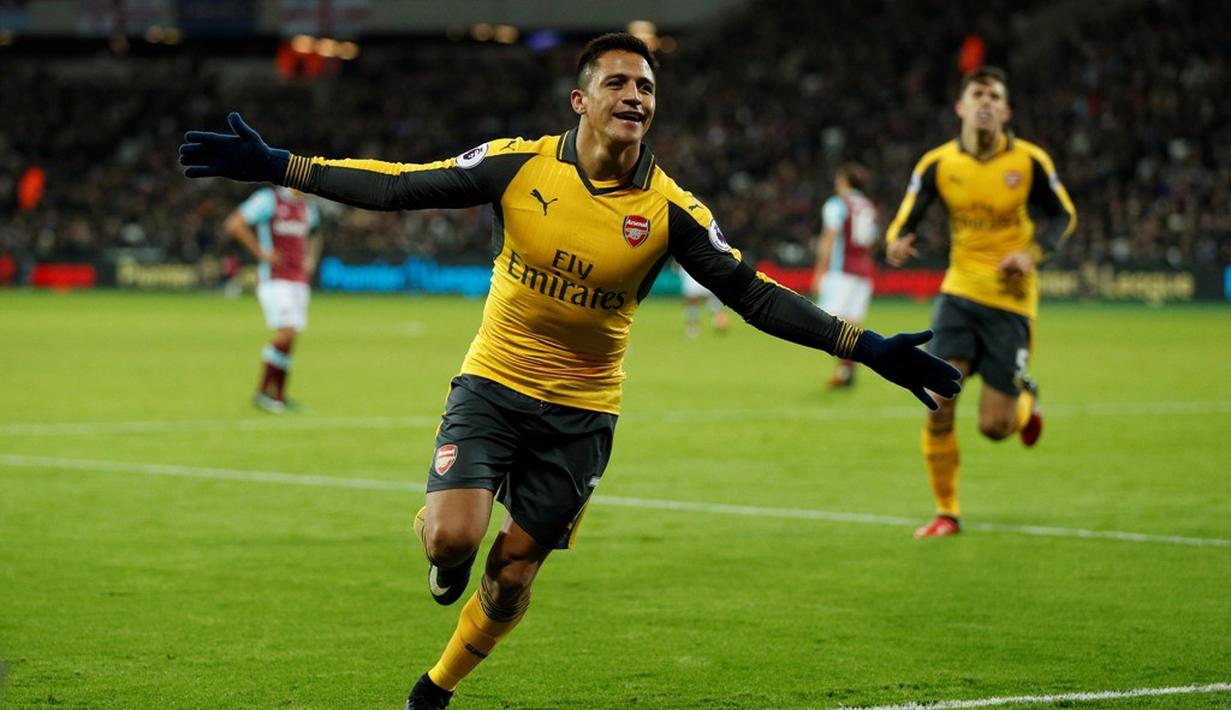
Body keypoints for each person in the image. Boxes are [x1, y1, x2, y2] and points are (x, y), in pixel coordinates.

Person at [180, 33, 961, 709]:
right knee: (453, 541)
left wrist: (864, 346)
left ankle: (436, 688)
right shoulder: (518, 166)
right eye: (617, 83)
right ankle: (442, 556)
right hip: (492, 382)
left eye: (646, 87)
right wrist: (283, 165)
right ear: (579, 101)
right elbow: (399, 187)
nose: (634, 96)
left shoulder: (669, 210)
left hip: (583, 413)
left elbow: (751, 294)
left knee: (513, 574)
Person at [884, 65, 1076, 539]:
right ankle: (947, 512)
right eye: (978, 94)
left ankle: (1026, 401)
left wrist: (1031, 254)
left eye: (994, 96)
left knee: (996, 426)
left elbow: (1063, 216)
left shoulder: (1030, 161)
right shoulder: (937, 164)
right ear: (962, 106)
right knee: (938, 398)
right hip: (959, 294)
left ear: (1006, 111)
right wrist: (895, 242)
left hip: (1011, 303)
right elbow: (904, 219)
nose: (986, 102)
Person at [222, 186, 322, 413]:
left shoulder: (308, 207)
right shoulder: (269, 200)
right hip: (276, 279)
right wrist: (261, 253)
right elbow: (235, 223)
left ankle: (279, 395)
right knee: (285, 333)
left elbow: (315, 236)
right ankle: (261, 393)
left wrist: (311, 259)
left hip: (299, 279)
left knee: (291, 337)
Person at [812, 162, 880, 388]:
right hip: (863, 271)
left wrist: (820, 270)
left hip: (842, 272)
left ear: (844, 181)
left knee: (830, 326)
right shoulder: (869, 206)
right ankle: (847, 372)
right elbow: (871, 240)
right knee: (852, 324)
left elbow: (829, 237)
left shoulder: (837, 204)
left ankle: (845, 370)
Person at [677, 260, 730, 338]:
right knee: (696, 299)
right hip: (693, 266)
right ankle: (718, 318)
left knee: (693, 299)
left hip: (697, 266)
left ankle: (718, 318)